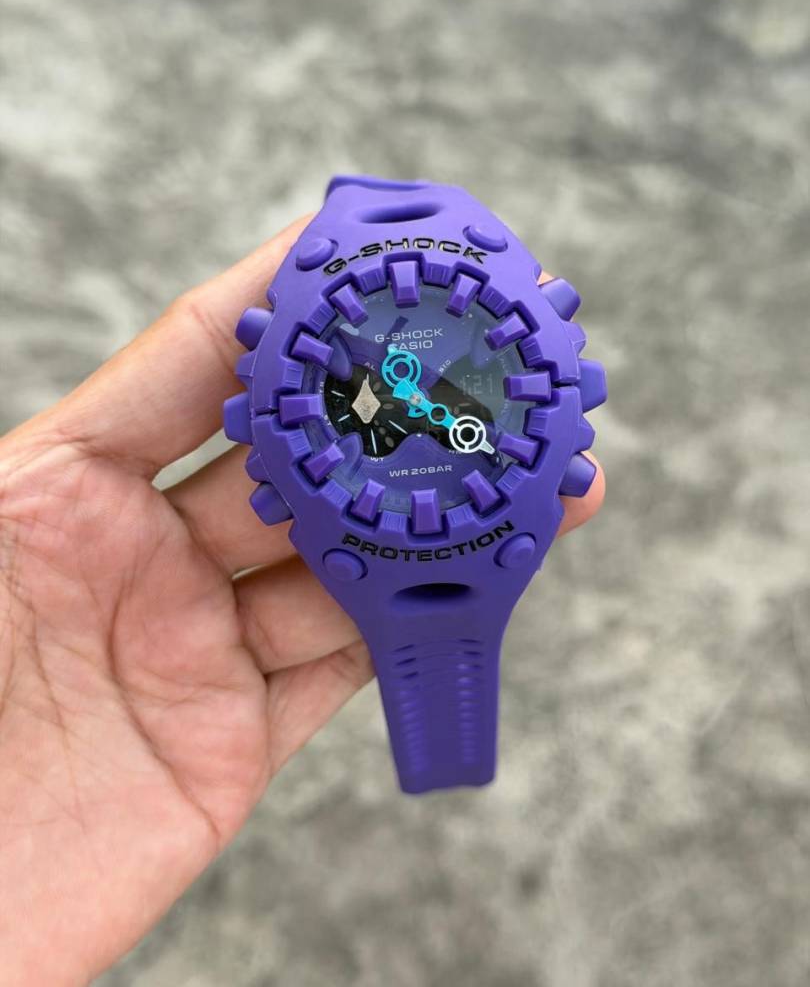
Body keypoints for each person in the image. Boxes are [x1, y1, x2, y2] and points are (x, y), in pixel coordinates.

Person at [0, 215, 604, 984]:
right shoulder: (367, 379)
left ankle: (452, 761)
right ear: (258, 420)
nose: (414, 397)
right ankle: (449, 765)